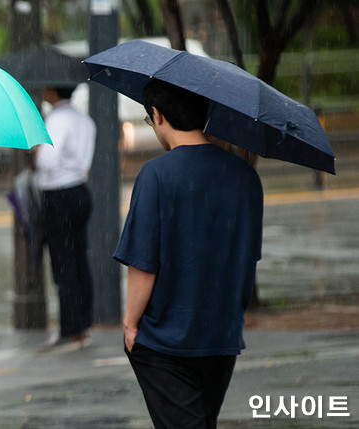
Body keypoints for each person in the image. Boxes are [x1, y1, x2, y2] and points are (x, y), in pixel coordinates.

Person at [114, 79, 263, 429]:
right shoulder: (245, 176)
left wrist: (130, 325)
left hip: (166, 339)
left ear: (157, 115)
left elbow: (143, 262)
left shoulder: (156, 175)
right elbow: (248, 257)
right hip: (221, 337)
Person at [31, 85, 96, 349]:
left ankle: (70, 327)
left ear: (53, 91)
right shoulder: (84, 119)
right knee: (79, 258)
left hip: (58, 196)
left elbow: (48, 160)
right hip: (79, 191)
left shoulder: (56, 120)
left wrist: (35, 149)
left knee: (63, 262)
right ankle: (83, 323)